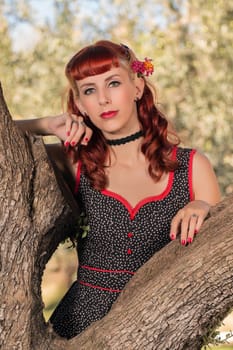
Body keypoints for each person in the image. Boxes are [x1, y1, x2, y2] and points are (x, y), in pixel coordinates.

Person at [16, 40, 221, 339]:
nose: (102, 99)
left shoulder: (192, 166)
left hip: (162, 326)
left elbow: (216, 259)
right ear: (80, 103)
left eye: (113, 83)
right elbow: (4, 138)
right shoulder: (76, 161)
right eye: (89, 90)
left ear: (137, 87)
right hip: (77, 329)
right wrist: (48, 123)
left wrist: (204, 207)